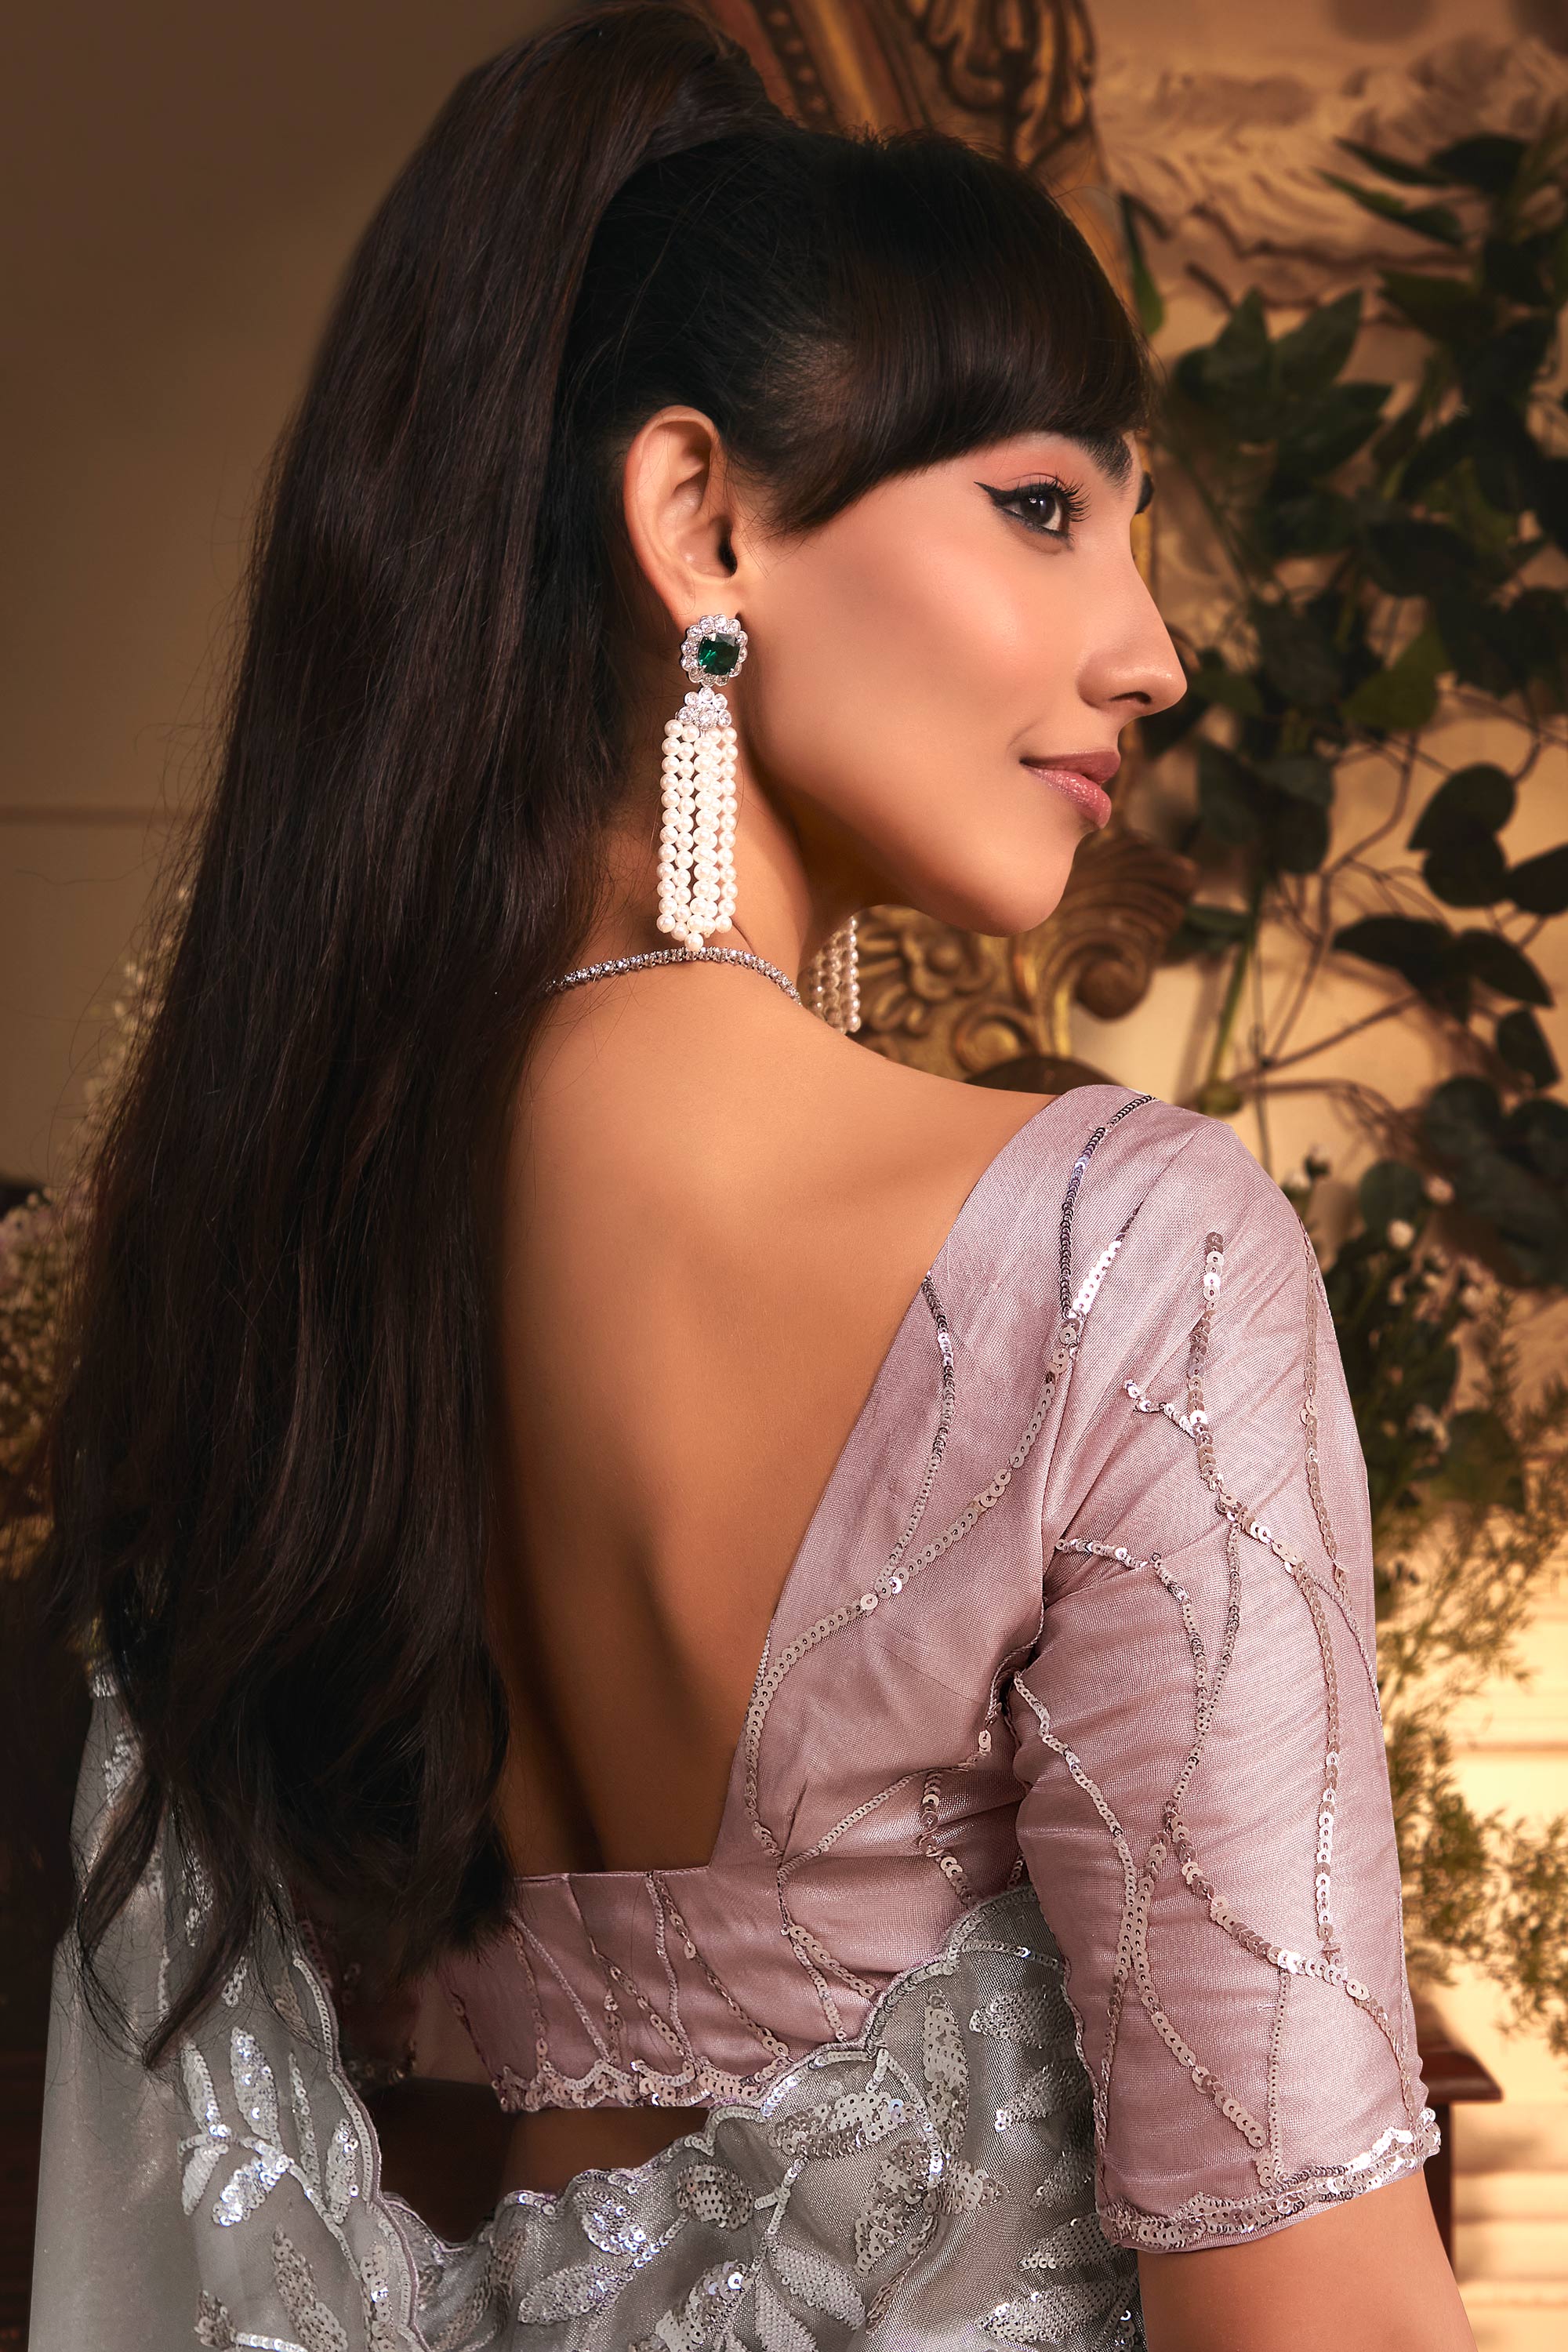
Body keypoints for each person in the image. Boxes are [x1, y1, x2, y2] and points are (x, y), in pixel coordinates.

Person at [29, 5, 1476, 2346]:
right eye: (1044, 507)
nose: (1153, 653)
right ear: (701, 521)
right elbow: (1324, 2320)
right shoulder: (1123, 1257)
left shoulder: (284, 1268)